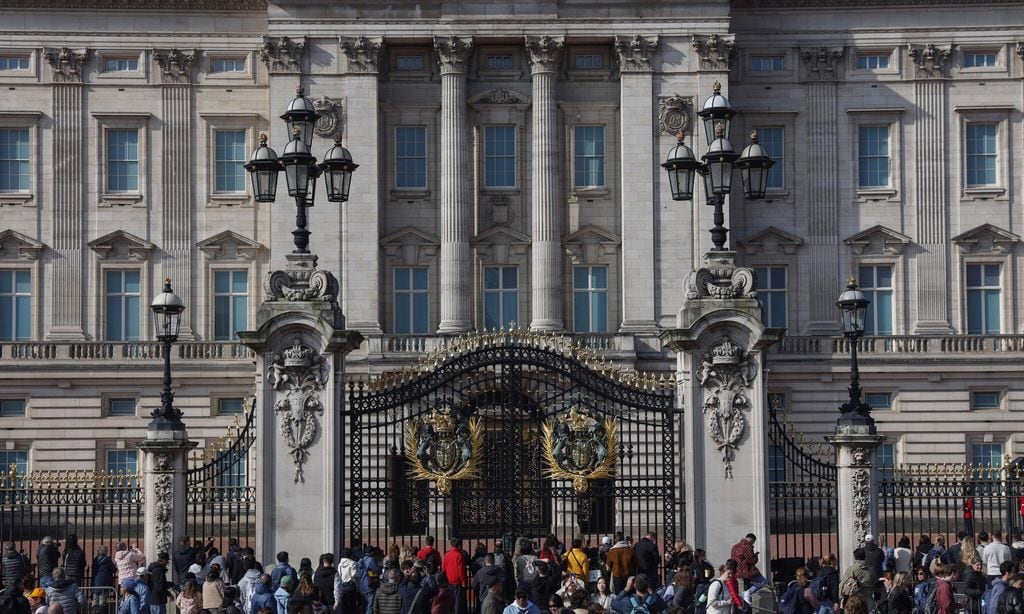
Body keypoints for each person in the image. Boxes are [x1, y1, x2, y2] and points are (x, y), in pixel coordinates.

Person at [839, 547, 876, 612]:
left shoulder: (851, 569)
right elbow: (875, 582)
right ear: (864, 556)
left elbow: (843, 584)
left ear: (855, 557)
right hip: (869, 599)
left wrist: (841, 597)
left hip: (855, 600)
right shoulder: (871, 569)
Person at [442, 539, 469, 614]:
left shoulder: (447, 554)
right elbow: (461, 570)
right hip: (457, 581)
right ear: (459, 545)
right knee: (458, 601)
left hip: (448, 580)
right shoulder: (459, 555)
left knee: (450, 600)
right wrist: (463, 581)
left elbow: (443, 568)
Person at [357, 548, 381, 614]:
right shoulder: (370, 560)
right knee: (370, 605)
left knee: (365, 605)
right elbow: (377, 571)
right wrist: (380, 567)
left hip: (362, 586)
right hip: (370, 585)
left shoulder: (360, 560)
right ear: (372, 552)